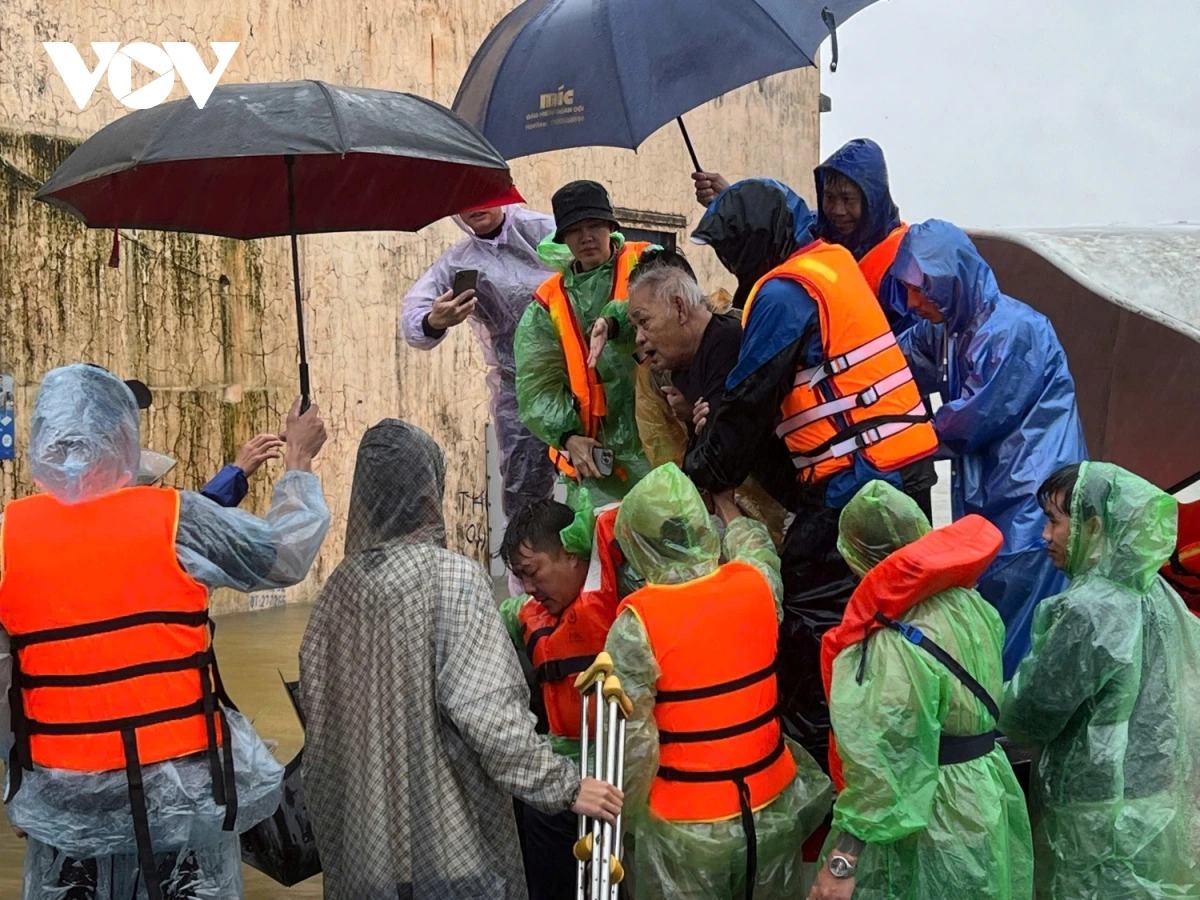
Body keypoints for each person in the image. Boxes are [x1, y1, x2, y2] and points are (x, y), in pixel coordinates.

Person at [0, 363, 332, 900]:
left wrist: (19, 783)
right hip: (182, 799)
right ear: (125, 438)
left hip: (66, 801)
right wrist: (298, 462)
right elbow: (287, 554)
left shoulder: (10, 537)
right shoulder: (177, 520)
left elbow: (3, 682)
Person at [299, 419, 623, 900]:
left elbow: (320, 742)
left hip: (364, 864)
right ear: (432, 494)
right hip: (452, 860)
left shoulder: (334, 596)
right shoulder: (451, 580)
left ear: (361, 500)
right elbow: (490, 715)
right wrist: (565, 787)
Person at [686, 179, 939, 767]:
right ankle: (892, 746)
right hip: (904, 470)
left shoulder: (784, 292)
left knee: (813, 624)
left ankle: (823, 771)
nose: (728, 262)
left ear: (755, 241)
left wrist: (704, 466)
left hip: (857, 481)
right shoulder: (831, 265)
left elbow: (750, 397)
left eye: (732, 248)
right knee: (894, 621)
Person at [606, 464, 832, 899]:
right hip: (771, 810)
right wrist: (727, 504)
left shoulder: (639, 624)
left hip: (687, 827)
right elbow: (756, 544)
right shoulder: (755, 585)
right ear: (698, 524)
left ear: (638, 543)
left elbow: (633, 746)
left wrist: (626, 818)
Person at [810, 481, 1032, 900]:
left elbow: (886, 761)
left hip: (931, 807)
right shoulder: (974, 606)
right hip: (986, 786)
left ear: (856, 557)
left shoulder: (891, 639)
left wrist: (843, 860)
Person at [892, 221, 1089, 675]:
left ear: (951, 280)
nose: (914, 303)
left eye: (922, 290)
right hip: (994, 497)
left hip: (1032, 501)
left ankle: (1012, 732)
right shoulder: (947, 329)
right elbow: (894, 362)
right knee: (997, 619)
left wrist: (891, 436)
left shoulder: (1013, 330)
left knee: (1022, 629)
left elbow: (970, 420)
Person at [1001, 462, 1200, 898]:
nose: (1044, 536)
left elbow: (1029, 715)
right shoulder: (1158, 592)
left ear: (1094, 524)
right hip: (1154, 805)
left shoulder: (1090, 609)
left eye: (1054, 521)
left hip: (1096, 819)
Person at [497, 494, 636, 900]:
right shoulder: (524, 613)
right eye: (520, 577)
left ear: (572, 554)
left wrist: (587, 525)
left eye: (533, 571)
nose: (528, 587)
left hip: (618, 775)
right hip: (562, 779)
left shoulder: (614, 589)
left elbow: (656, 496)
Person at [401, 203, 557, 527]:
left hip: (581, 375)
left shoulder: (546, 231)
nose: (476, 207)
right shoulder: (460, 262)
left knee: (601, 480)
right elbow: (414, 317)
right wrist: (434, 321)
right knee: (525, 501)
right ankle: (529, 576)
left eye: (484, 194)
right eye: (464, 201)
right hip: (520, 393)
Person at [620, 249, 792, 541]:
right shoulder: (683, 365)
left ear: (679, 308)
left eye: (644, 322)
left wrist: (708, 437)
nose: (639, 338)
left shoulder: (730, 344)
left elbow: (717, 465)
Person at [514, 180, 653, 502]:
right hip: (595, 455)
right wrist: (568, 437)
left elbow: (679, 312)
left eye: (594, 225)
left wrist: (617, 320)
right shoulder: (548, 303)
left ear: (610, 227)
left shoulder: (649, 262)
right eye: (575, 230)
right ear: (563, 238)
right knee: (601, 542)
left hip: (664, 437)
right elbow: (537, 385)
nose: (586, 237)